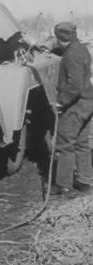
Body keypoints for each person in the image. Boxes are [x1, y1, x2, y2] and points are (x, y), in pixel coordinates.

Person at [50, 22, 93, 196]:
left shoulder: (71, 55)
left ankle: (63, 185)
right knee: (82, 143)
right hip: (88, 101)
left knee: (65, 143)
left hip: (76, 103)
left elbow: (74, 85)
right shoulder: (81, 48)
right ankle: (84, 181)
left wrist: (62, 101)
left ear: (60, 38)